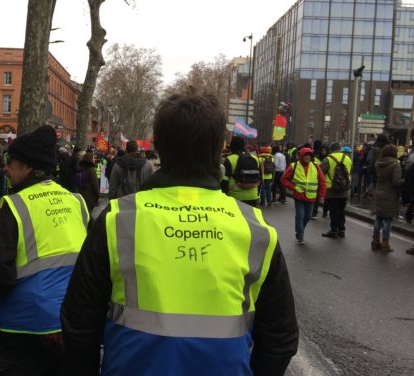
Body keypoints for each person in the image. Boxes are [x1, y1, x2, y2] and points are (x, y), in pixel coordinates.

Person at [61, 92, 298, 375]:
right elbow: (280, 338)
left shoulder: (117, 220)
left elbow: (79, 321)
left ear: (158, 145)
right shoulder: (254, 227)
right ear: (219, 148)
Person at [0, 125, 90, 375]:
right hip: (69, 323)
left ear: (27, 168)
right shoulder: (76, 201)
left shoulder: (13, 207)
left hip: (25, 327)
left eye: (11, 162)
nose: (5, 167)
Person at [281, 148, 326, 245]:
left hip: (311, 197)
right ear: (301, 156)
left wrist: (322, 195)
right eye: (305, 155)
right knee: (300, 216)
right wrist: (294, 188)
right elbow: (284, 179)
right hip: (299, 197)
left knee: (308, 216)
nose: (307, 157)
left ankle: (300, 229)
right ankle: (300, 236)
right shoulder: (294, 166)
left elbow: (322, 181)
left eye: (309, 155)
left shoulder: (315, 166)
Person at [370, 144, 403, 253]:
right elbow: (396, 182)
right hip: (390, 195)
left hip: (378, 193)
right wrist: (405, 181)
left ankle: (375, 241)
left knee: (378, 218)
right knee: (388, 220)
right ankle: (385, 244)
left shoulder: (378, 163)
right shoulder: (395, 165)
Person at [321, 142, 353, 238]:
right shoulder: (348, 158)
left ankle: (333, 230)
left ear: (331, 149)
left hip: (331, 188)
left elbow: (320, 172)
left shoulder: (328, 159)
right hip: (344, 188)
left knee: (333, 210)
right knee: (341, 210)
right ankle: (341, 229)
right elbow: (351, 171)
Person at [222, 136, 261, 207]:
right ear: (244, 146)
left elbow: (225, 181)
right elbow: (260, 178)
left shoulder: (229, 159)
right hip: (253, 196)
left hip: (235, 197)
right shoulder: (254, 159)